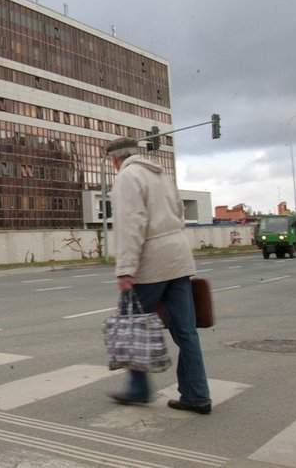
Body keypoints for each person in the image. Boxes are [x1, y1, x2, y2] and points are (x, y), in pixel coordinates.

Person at [105, 136, 212, 414]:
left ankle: (138, 389)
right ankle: (197, 394)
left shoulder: (128, 177)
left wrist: (126, 268)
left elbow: (131, 224)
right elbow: (178, 211)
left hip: (151, 262)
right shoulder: (160, 174)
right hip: (178, 257)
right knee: (186, 331)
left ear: (114, 159)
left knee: (131, 324)